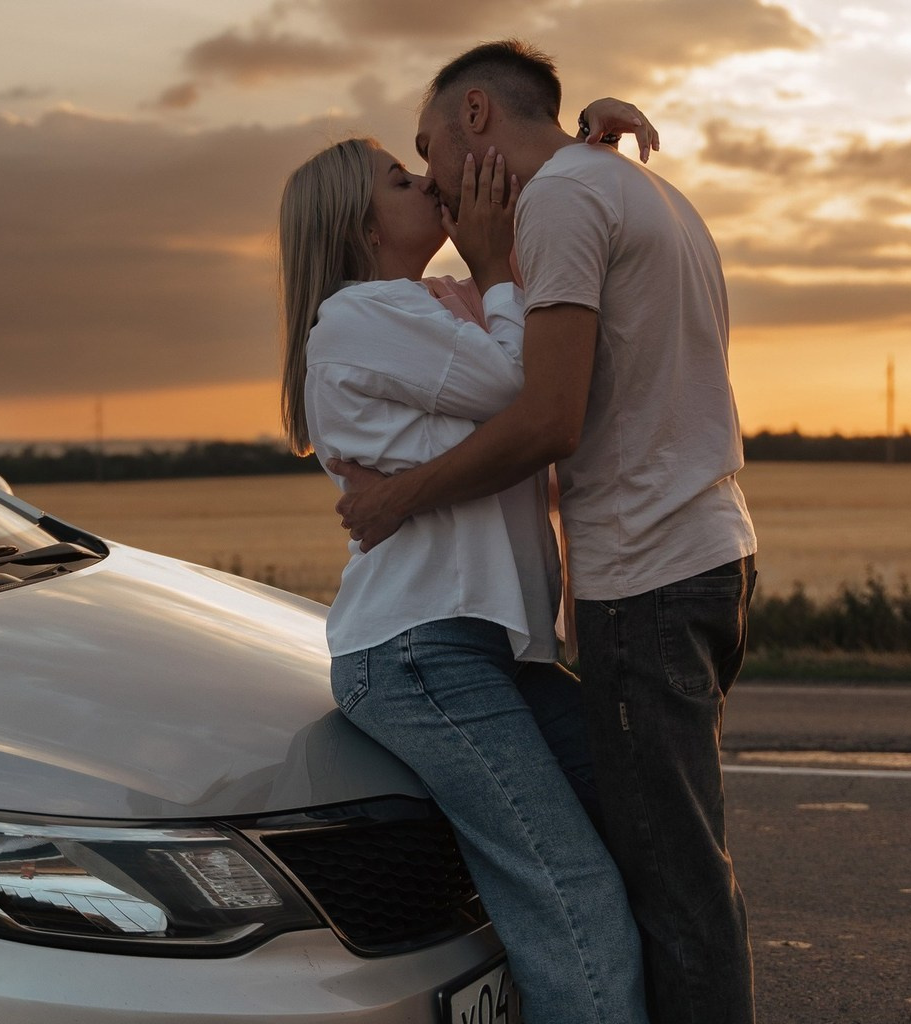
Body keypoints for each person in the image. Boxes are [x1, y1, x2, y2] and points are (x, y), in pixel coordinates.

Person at [332, 40, 759, 1024]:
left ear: (473, 114)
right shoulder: (615, 185)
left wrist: (403, 497)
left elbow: (545, 416)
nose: (432, 172)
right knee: (674, 859)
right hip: (705, 551)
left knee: (672, 890)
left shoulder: (566, 199)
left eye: (425, 144)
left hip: (646, 578)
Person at [278, 102, 656, 1024]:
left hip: (481, 651)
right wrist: (491, 265)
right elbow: (516, 385)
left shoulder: (431, 305)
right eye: (400, 183)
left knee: (640, 822)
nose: (429, 183)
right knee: (571, 895)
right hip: (418, 652)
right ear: (361, 225)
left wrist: (579, 160)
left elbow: (534, 301)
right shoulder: (360, 315)